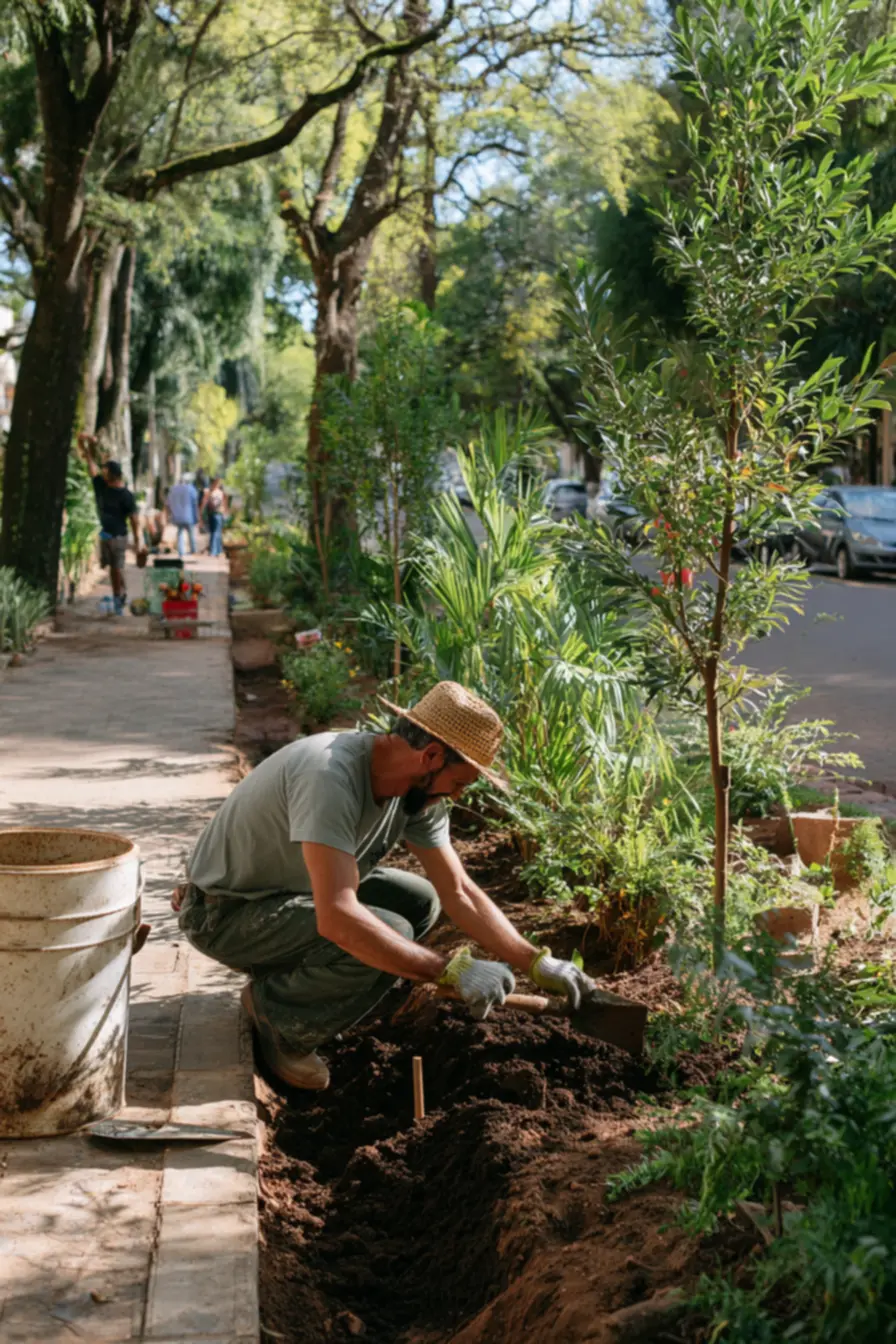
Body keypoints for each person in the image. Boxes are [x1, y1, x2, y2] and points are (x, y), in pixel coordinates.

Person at [176, 682, 594, 1090]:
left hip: (290, 891)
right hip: (225, 913)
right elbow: (338, 917)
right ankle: (280, 1021)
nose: (459, 796)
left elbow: (458, 892)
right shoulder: (329, 774)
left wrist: (536, 963)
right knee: (388, 929)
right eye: (461, 783)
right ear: (431, 756)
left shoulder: (415, 791)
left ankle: (294, 985)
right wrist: (450, 970)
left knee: (418, 902)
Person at [79, 433, 143, 615]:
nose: (102, 473)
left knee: (116, 568)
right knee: (110, 568)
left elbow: (134, 520)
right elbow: (90, 463)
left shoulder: (126, 496)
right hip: (104, 534)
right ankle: (121, 591)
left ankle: (118, 598)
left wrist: (139, 542)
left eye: (106, 471)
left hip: (119, 536)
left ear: (114, 475)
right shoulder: (101, 485)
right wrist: (86, 445)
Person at [166, 477, 199, 557]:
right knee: (191, 533)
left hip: (177, 516)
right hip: (189, 515)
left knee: (180, 533)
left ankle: (181, 552)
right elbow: (195, 501)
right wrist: (197, 515)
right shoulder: (190, 489)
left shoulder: (173, 489)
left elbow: (168, 503)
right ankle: (193, 550)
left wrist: (169, 514)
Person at [203, 476, 228, 557]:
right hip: (218, 514)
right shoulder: (219, 492)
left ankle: (216, 550)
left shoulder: (209, 491)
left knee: (214, 532)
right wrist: (225, 512)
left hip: (210, 514)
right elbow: (223, 504)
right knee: (216, 532)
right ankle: (214, 551)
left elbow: (205, 503)